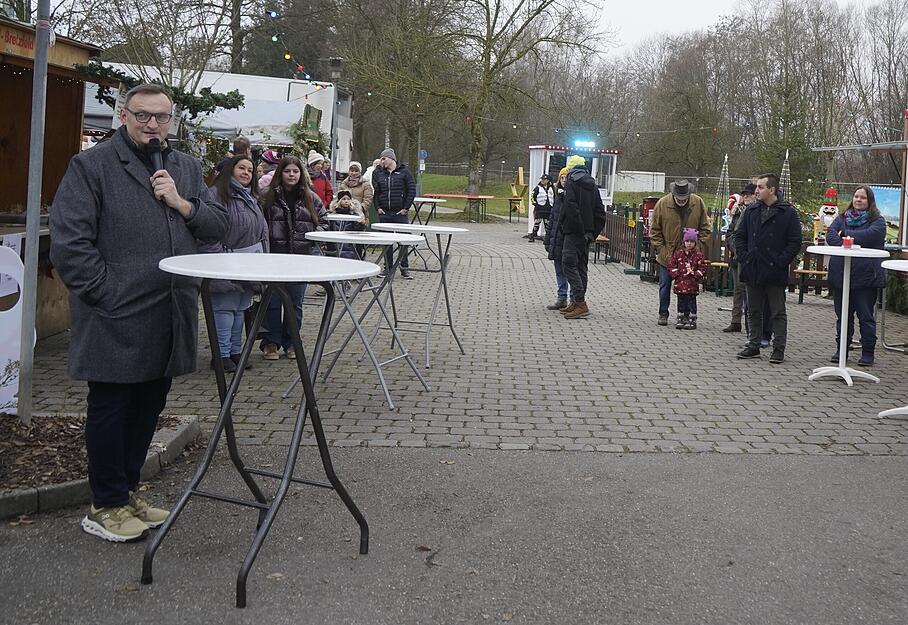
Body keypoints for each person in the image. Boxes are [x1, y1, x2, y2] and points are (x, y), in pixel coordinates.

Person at [50, 83, 228, 542]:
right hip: (115, 315)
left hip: (169, 313)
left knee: (149, 406)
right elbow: (69, 244)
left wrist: (182, 203)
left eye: (161, 117)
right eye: (142, 115)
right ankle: (105, 504)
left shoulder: (184, 167)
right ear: (123, 116)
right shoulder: (91, 167)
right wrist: (107, 295)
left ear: (172, 120)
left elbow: (217, 225)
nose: (152, 125)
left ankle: (127, 493)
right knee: (111, 409)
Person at [201, 155, 269, 372]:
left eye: (251, 169)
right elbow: (207, 233)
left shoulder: (250, 197)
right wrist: (221, 259)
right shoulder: (215, 195)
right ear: (230, 169)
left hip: (248, 264)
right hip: (225, 262)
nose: (247, 173)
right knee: (224, 309)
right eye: (242, 168)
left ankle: (235, 352)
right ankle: (220, 355)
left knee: (240, 309)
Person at [260, 155, 328, 360]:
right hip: (274, 258)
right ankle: (271, 342)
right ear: (281, 173)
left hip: (301, 258)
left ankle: (292, 342)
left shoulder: (311, 197)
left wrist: (313, 238)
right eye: (288, 171)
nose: (291, 175)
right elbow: (258, 223)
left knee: (295, 303)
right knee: (272, 302)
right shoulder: (267, 196)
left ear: (301, 174)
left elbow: (324, 221)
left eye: (295, 171)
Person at [735, 173, 802, 363]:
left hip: (774, 269)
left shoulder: (787, 212)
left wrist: (781, 261)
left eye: (760, 187)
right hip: (753, 267)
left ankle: (778, 348)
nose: (756, 190)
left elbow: (794, 242)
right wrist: (744, 257)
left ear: (771, 189)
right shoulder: (752, 210)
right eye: (756, 187)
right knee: (753, 309)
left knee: (777, 311)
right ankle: (753, 344)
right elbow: (740, 236)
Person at [825, 186, 887, 366]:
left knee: (866, 317)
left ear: (870, 201)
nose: (858, 200)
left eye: (863, 198)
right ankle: (841, 349)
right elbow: (830, 235)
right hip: (841, 276)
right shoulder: (842, 218)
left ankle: (868, 352)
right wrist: (847, 239)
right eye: (856, 196)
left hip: (866, 277)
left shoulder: (878, 221)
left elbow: (872, 236)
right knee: (843, 316)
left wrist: (846, 236)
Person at [649, 179, 711, 326]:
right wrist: (662, 249)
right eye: (679, 199)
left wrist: (698, 247)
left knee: (688, 288)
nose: (682, 201)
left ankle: (686, 315)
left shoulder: (698, 203)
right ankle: (663, 313)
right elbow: (655, 230)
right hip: (668, 255)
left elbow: (705, 228)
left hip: (690, 257)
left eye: (684, 199)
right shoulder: (663, 204)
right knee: (664, 285)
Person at [558, 155, 605, 319]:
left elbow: (571, 208)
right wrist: (591, 233)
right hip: (586, 235)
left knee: (568, 265)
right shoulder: (592, 185)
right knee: (581, 267)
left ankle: (580, 302)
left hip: (573, 233)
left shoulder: (571, 182)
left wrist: (578, 230)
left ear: (570, 169)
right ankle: (576, 303)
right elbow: (600, 212)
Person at [372, 147, 416, 279]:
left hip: (400, 213)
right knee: (386, 242)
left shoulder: (405, 172)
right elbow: (376, 192)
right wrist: (378, 207)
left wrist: (406, 208)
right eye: (380, 158)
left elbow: (411, 190)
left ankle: (404, 267)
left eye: (383, 158)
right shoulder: (379, 173)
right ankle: (388, 268)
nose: (381, 161)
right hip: (385, 212)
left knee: (403, 241)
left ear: (391, 159)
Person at [723, 183, 757, 332]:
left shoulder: (755, 212)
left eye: (749, 195)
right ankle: (735, 321)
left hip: (748, 257)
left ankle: (750, 324)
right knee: (737, 290)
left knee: (747, 291)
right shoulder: (738, 212)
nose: (746, 197)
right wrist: (736, 249)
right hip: (737, 256)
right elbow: (730, 233)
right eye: (745, 195)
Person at [668, 228, 708, 329]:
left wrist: (696, 275)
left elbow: (702, 267)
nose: (689, 244)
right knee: (681, 301)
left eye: (691, 242)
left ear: (695, 243)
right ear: (684, 242)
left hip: (692, 284)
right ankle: (680, 317)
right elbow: (671, 265)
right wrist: (676, 274)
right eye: (687, 241)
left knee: (691, 302)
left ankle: (692, 318)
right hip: (680, 283)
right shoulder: (678, 254)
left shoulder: (698, 255)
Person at [543, 167, 571, 310]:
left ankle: (573, 298)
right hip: (557, 240)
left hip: (567, 240)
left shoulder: (572, 197)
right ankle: (561, 297)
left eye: (566, 178)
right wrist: (548, 239)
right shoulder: (557, 197)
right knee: (559, 270)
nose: (564, 181)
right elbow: (553, 219)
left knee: (570, 271)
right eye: (562, 178)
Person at [328, 190, 365, 258]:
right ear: (339, 201)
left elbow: (358, 231)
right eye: (344, 199)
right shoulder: (332, 215)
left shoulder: (355, 215)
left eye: (348, 199)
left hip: (350, 248)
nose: (346, 201)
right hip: (334, 247)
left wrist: (360, 223)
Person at [529, 174, 554, 242]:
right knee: (537, 223)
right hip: (540, 209)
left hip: (549, 209)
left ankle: (548, 238)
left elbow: (555, 197)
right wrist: (535, 204)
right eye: (542, 179)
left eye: (544, 179)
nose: (542, 181)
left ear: (548, 180)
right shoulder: (538, 188)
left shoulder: (552, 188)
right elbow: (532, 196)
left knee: (548, 224)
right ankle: (532, 236)